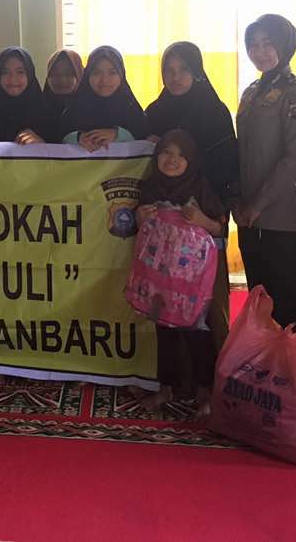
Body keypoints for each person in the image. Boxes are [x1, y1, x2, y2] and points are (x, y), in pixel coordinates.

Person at [145, 42, 238, 353]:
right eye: (169, 71)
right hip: (164, 223)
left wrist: (210, 213)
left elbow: (226, 165)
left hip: (203, 213)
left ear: (197, 72)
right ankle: (172, 372)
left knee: (206, 301)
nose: (176, 77)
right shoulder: (155, 112)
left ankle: (210, 373)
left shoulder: (214, 112)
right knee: (164, 296)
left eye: (184, 69)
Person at [132, 130, 226, 417]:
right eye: (166, 152)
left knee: (198, 332)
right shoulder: (150, 188)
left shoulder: (200, 188)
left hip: (192, 283)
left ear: (191, 160)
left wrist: (202, 220)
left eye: (180, 155)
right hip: (158, 279)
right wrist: (139, 217)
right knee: (164, 332)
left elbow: (220, 228)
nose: (171, 160)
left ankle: (204, 392)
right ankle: (166, 388)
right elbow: (138, 227)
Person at [235, 15, 296, 331]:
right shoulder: (251, 93)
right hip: (249, 215)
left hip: (284, 215)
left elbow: (294, 158)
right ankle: (266, 359)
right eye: (253, 45)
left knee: (288, 304)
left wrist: (258, 204)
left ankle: (293, 361)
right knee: (260, 298)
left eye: (268, 43)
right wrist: (240, 203)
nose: (260, 52)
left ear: (285, 45)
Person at [59, 45, 148, 151]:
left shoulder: (131, 110)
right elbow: (58, 137)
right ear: (88, 76)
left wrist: (119, 135)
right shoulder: (75, 109)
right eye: (96, 73)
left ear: (121, 75)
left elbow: (144, 138)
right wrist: (78, 138)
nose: (104, 80)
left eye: (112, 72)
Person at [0, 47, 56, 145]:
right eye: (5, 72)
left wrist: (41, 142)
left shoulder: (45, 111)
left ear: (29, 75)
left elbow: (57, 144)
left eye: (20, 72)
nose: (13, 79)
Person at [43, 48, 83, 119]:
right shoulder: (35, 110)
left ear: (79, 76)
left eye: (68, 74)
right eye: (55, 74)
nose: (62, 80)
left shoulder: (89, 111)